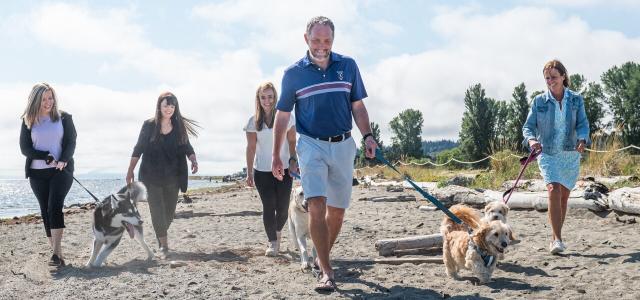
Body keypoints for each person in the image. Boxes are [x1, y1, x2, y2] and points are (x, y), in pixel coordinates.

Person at [271, 16, 378, 292]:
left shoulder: (348, 66)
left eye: (327, 40)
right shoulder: (293, 74)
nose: (322, 46)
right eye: (316, 40)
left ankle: (321, 257)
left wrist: (367, 136)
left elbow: (358, 107)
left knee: (337, 212)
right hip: (311, 145)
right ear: (306, 39)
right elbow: (283, 117)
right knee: (316, 205)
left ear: (333, 40)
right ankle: (327, 272)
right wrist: (277, 154)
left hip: (343, 144)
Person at [523, 59, 590, 255]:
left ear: (563, 77)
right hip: (548, 152)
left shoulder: (576, 100)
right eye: (546, 78)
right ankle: (558, 240)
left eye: (553, 77)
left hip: (570, 154)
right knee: (553, 189)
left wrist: (583, 138)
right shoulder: (539, 101)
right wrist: (532, 140)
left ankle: (555, 236)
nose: (550, 81)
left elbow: (583, 124)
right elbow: (528, 127)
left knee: (563, 198)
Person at [126, 92, 199, 258]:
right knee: (157, 211)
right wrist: (130, 170)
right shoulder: (149, 125)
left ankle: (161, 236)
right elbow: (138, 149)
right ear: (159, 106)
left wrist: (193, 160)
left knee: (169, 213)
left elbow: (188, 147)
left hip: (173, 178)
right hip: (151, 178)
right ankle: (164, 246)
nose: (169, 109)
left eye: (172, 106)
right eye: (166, 105)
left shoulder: (179, 127)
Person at [19, 83, 77, 267]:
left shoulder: (64, 117)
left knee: (54, 207)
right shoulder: (28, 120)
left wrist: (64, 159)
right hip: (37, 173)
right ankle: (57, 255)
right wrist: (44, 156)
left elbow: (71, 141)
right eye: (44, 99)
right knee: (45, 211)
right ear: (36, 100)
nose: (48, 102)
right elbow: (25, 148)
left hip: (61, 170)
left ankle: (55, 253)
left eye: (50, 98)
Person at [244, 82, 297, 256]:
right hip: (262, 172)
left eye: (270, 97)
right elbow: (251, 148)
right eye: (263, 97)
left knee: (282, 208)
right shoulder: (253, 122)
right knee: (269, 205)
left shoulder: (286, 118)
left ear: (275, 98)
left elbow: (291, 141)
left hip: (284, 170)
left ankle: (278, 232)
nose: (267, 101)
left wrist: (292, 160)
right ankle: (273, 242)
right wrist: (249, 172)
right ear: (258, 99)